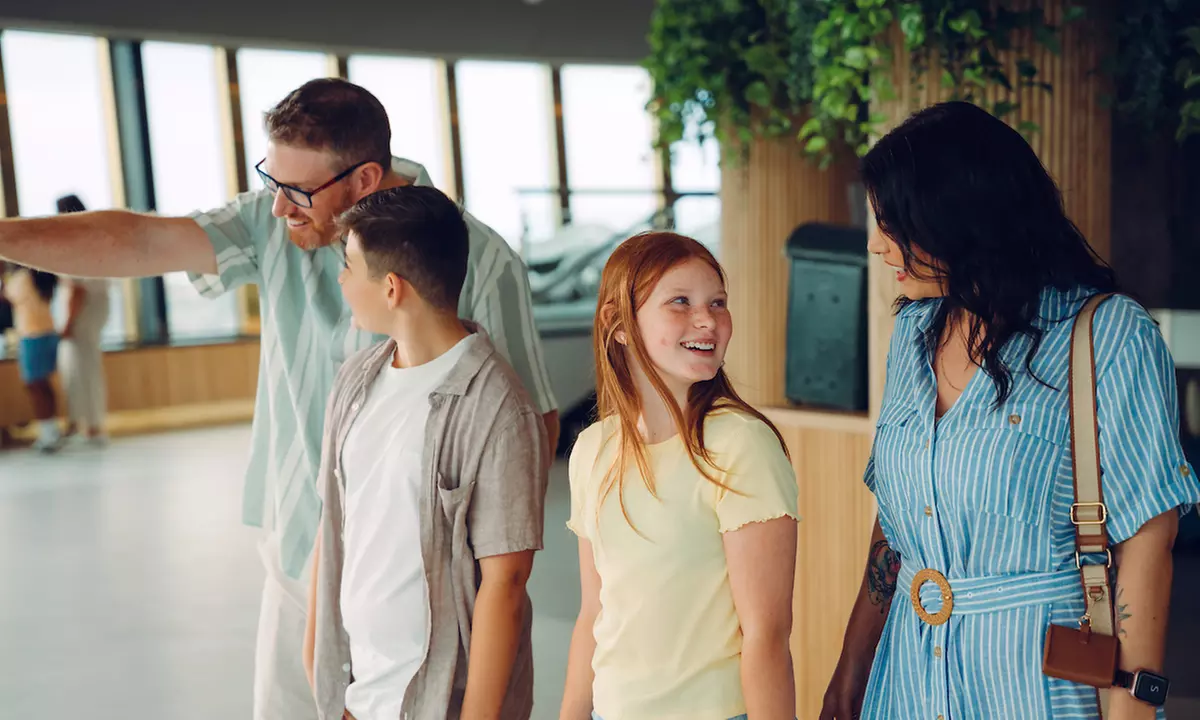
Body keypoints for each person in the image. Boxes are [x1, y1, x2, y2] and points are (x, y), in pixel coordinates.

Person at [0, 78, 558, 720]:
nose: (278, 208)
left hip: (431, 594)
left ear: (364, 178)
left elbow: (529, 427)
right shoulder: (282, 233)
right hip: (302, 553)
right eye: (272, 180)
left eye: (298, 191)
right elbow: (141, 240)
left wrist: (472, 582)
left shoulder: (481, 261)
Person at [819, 101, 1200, 720]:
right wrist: (850, 673)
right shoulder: (911, 334)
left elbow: (1146, 542)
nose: (875, 245)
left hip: (1033, 689)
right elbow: (898, 523)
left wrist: (1132, 709)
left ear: (958, 217)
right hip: (905, 684)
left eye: (892, 224)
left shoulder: (1108, 336)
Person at [304, 186, 548, 720]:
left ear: (392, 288)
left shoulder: (499, 410)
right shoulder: (355, 379)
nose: (342, 281)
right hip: (358, 694)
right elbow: (335, 519)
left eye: (349, 267)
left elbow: (506, 583)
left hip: (439, 702)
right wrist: (317, 654)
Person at [559, 231, 800, 720]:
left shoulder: (741, 444)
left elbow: (766, 636)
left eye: (718, 302)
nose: (707, 320)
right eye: (680, 302)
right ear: (618, 324)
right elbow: (593, 614)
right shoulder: (591, 449)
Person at [55, 194, 112, 445]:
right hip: (94, 309)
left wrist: (68, 322)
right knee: (84, 368)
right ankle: (85, 424)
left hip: (84, 313)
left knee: (81, 370)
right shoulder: (95, 239)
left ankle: (90, 426)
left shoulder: (75, 243)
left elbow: (76, 290)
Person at [1, 264, 62, 452]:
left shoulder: (21, 278)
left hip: (32, 335)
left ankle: (48, 435)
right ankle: (51, 431)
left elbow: (5, 296)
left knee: (34, 385)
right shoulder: (41, 277)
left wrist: (3, 275)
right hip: (48, 331)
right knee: (44, 385)